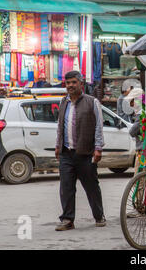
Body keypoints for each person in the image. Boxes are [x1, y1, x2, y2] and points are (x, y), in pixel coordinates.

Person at [54, 70, 106, 231]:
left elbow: (98, 126)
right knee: (66, 187)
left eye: (73, 82)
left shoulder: (92, 102)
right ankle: (67, 219)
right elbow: (60, 126)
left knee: (91, 186)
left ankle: (99, 216)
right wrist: (58, 145)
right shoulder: (64, 102)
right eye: (67, 83)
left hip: (85, 153)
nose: (70, 85)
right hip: (66, 153)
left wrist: (98, 148)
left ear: (81, 84)